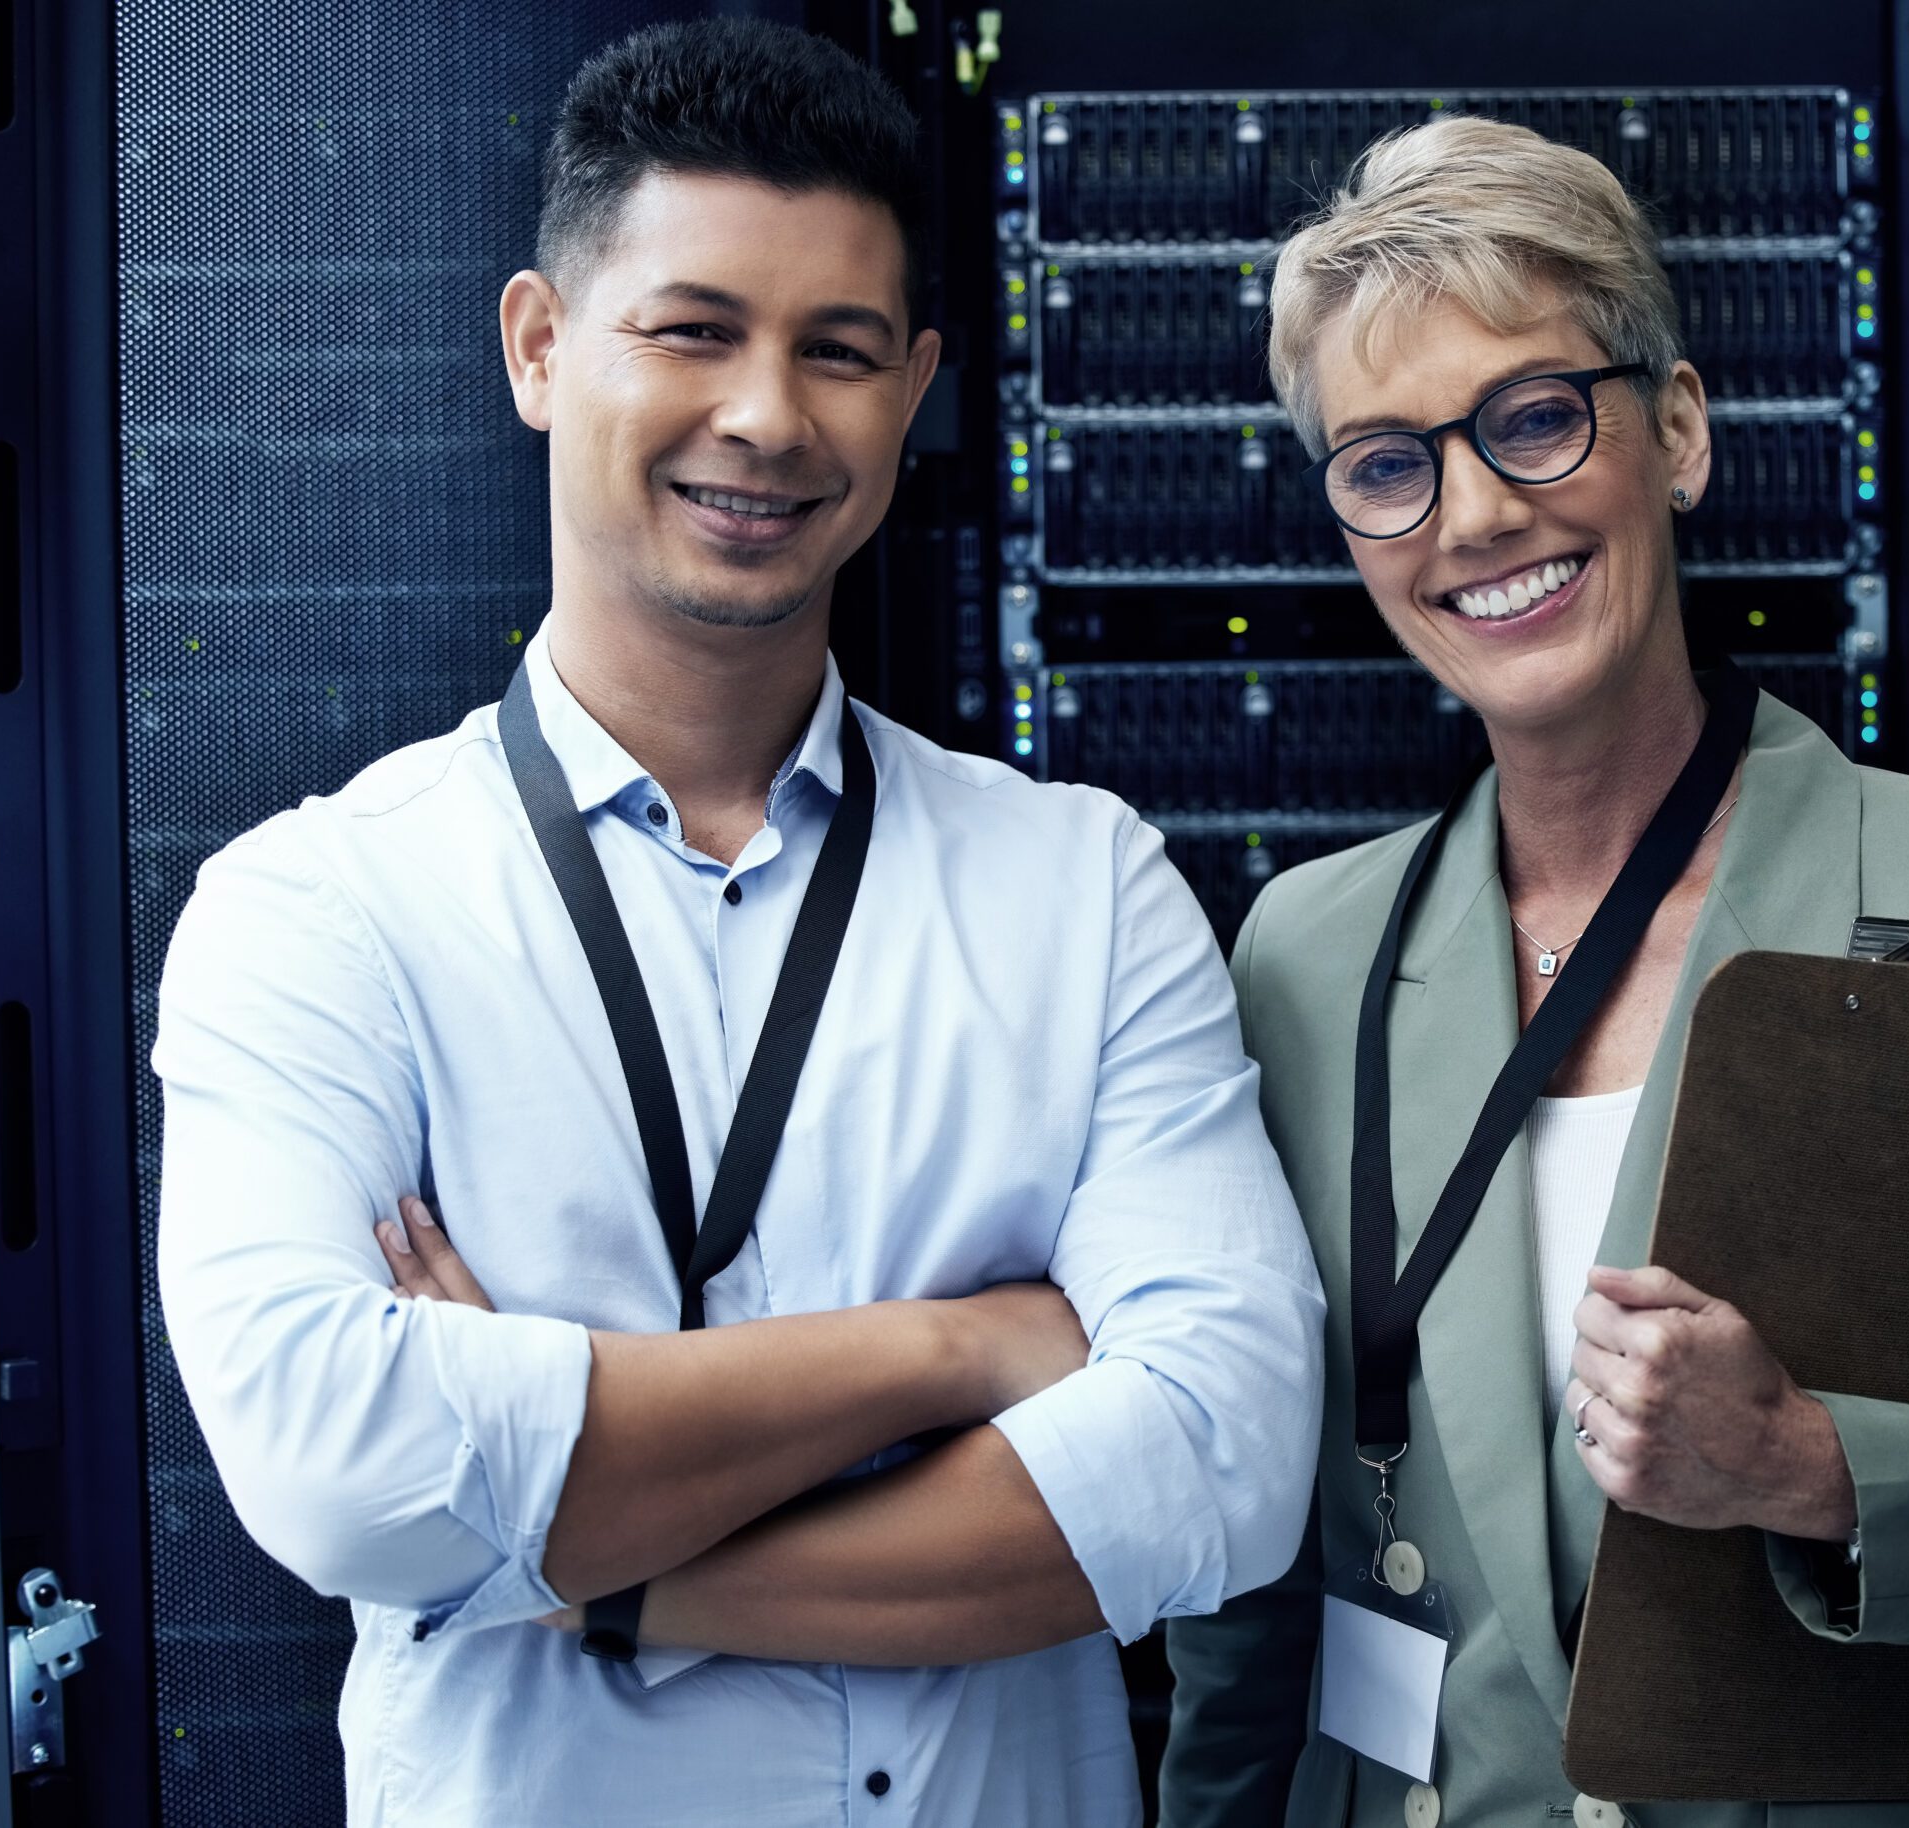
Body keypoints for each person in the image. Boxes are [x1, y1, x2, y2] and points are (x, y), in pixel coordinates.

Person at [152, 20, 1321, 1826]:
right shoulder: (319, 911)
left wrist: (582, 1553)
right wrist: (959, 1351)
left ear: (914, 392)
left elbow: (1224, 1472)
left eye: (838, 352)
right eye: (692, 330)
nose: (768, 416)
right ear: (542, 347)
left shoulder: (1080, 885)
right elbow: (340, 1474)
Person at [1158, 115, 1909, 1828]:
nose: (1475, 514)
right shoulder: (1304, 956)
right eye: (1387, 462)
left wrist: (1813, 1467)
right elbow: (1256, 1586)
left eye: (1537, 418)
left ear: (1680, 432)